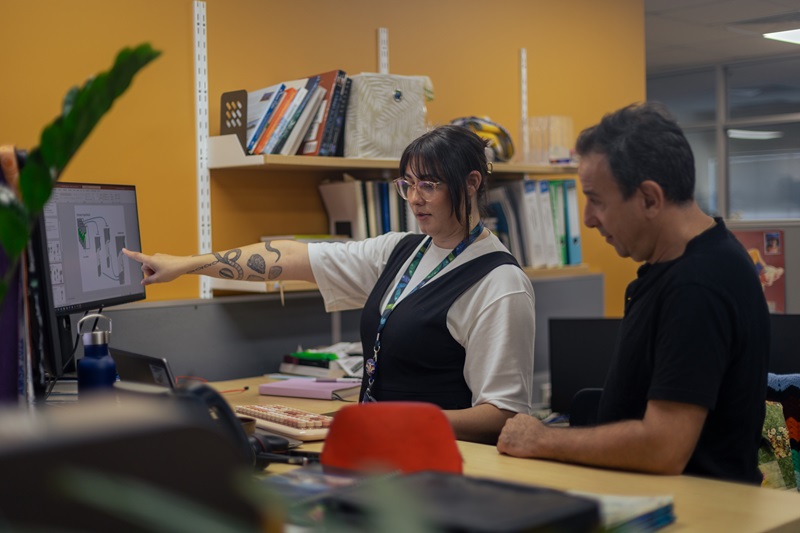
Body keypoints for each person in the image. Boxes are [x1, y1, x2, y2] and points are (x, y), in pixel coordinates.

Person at [124, 125, 536, 444]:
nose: (414, 198)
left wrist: (403, 420)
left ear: (471, 183)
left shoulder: (499, 283)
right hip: (379, 451)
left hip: (439, 462)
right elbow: (290, 257)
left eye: (429, 185)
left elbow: (502, 414)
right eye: (407, 184)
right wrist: (186, 265)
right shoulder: (401, 252)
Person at [497, 102, 769, 484]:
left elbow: (663, 447)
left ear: (649, 199)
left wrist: (543, 439)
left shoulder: (698, 284)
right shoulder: (688, 264)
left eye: (596, 200)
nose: (589, 219)